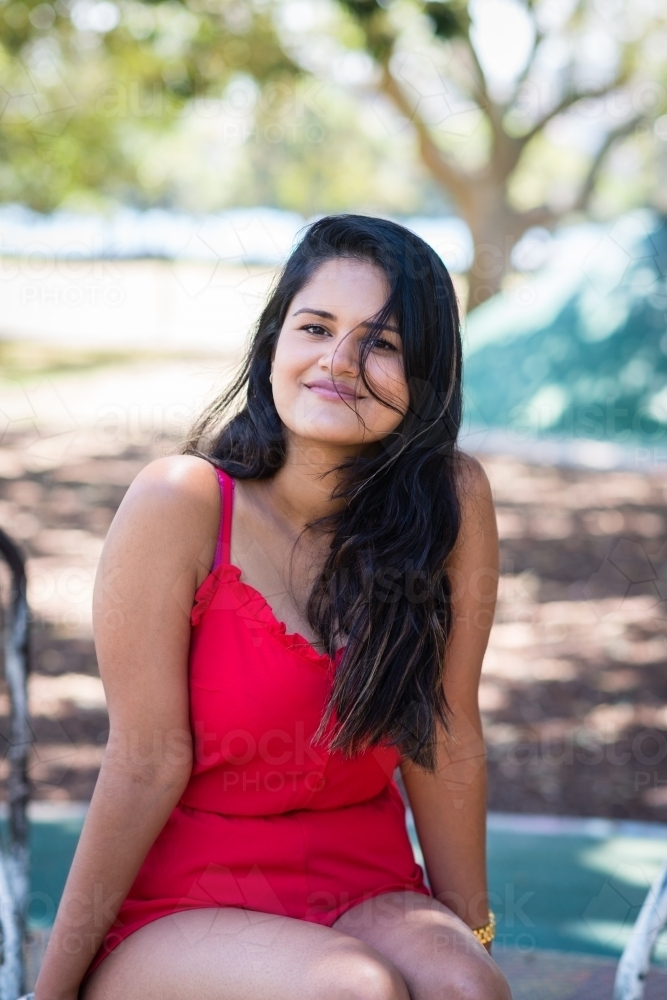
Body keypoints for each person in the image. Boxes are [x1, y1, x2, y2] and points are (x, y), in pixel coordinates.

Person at [34, 214, 511, 1000]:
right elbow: (144, 760)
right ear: (272, 345)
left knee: (466, 989)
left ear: (426, 376)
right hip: (186, 903)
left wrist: (476, 938)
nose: (339, 361)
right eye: (315, 327)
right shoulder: (180, 501)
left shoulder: (451, 502)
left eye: (381, 343)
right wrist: (52, 989)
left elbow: (445, 733)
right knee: (353, 990)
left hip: (364, 883)